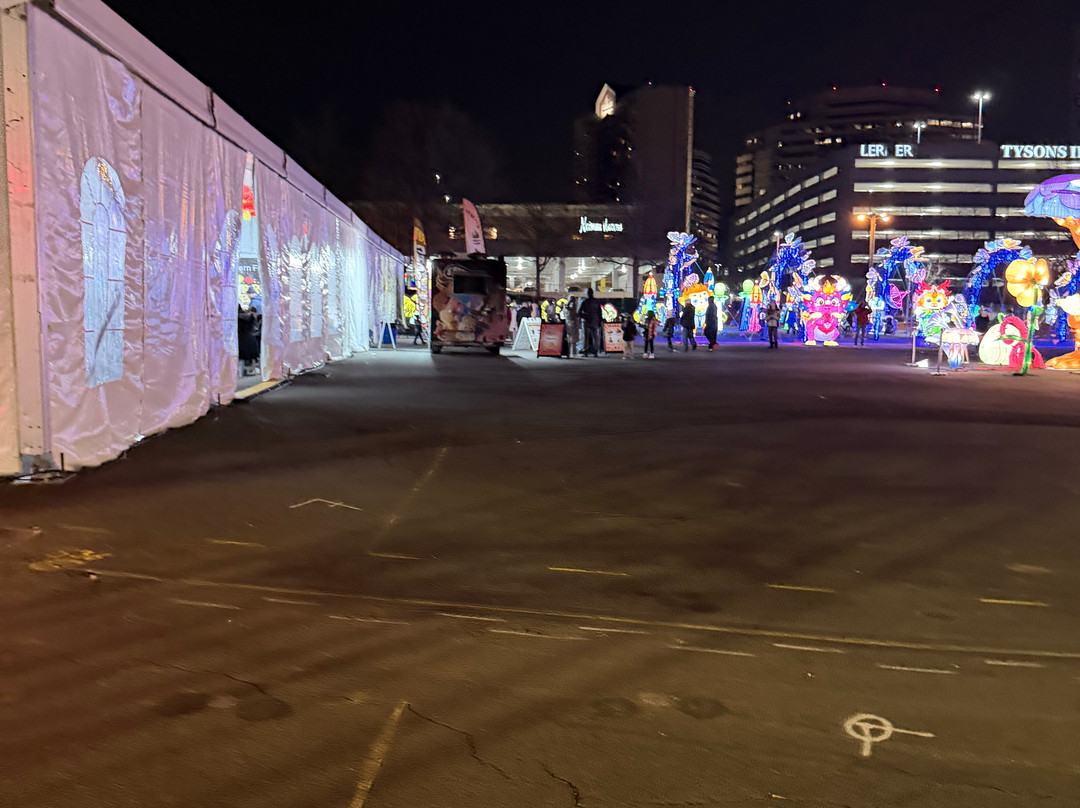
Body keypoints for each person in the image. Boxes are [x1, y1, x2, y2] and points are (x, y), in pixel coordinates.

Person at [578, 288, 603, 357]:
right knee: (594, 337)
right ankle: (594, 351)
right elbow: (600, 312)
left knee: (586, 337)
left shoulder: (585, 301)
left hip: (587, 321)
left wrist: (585, 316)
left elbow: (579, 312)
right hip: (594, 320)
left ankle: (586, 351)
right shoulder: (596, 301)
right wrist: (599, 321)